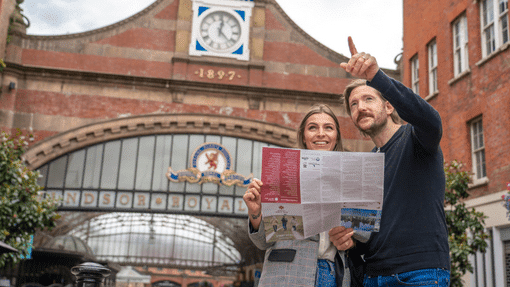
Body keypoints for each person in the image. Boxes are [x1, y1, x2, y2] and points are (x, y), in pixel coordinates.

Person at [336, 36, 450, 286]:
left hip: (419, 272)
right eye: (353, 105)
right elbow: (362, 230)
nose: (360, 107)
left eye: (368, 99)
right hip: (373, 275)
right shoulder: (364, 165)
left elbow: (431, 120)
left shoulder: (417, 138)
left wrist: (377, 77)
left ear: (389, 106)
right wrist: (348, 239)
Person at [244, 104, 357, 287]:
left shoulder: (352, 178)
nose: (321, 133)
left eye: (328, 127)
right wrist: (256, 213)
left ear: (336, 138)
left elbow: (363, 236)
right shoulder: (282, 175)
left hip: (334, 275)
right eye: (313, 128)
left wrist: (350, 241)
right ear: (304, 137)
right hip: (286, 275)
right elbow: (263, 242)